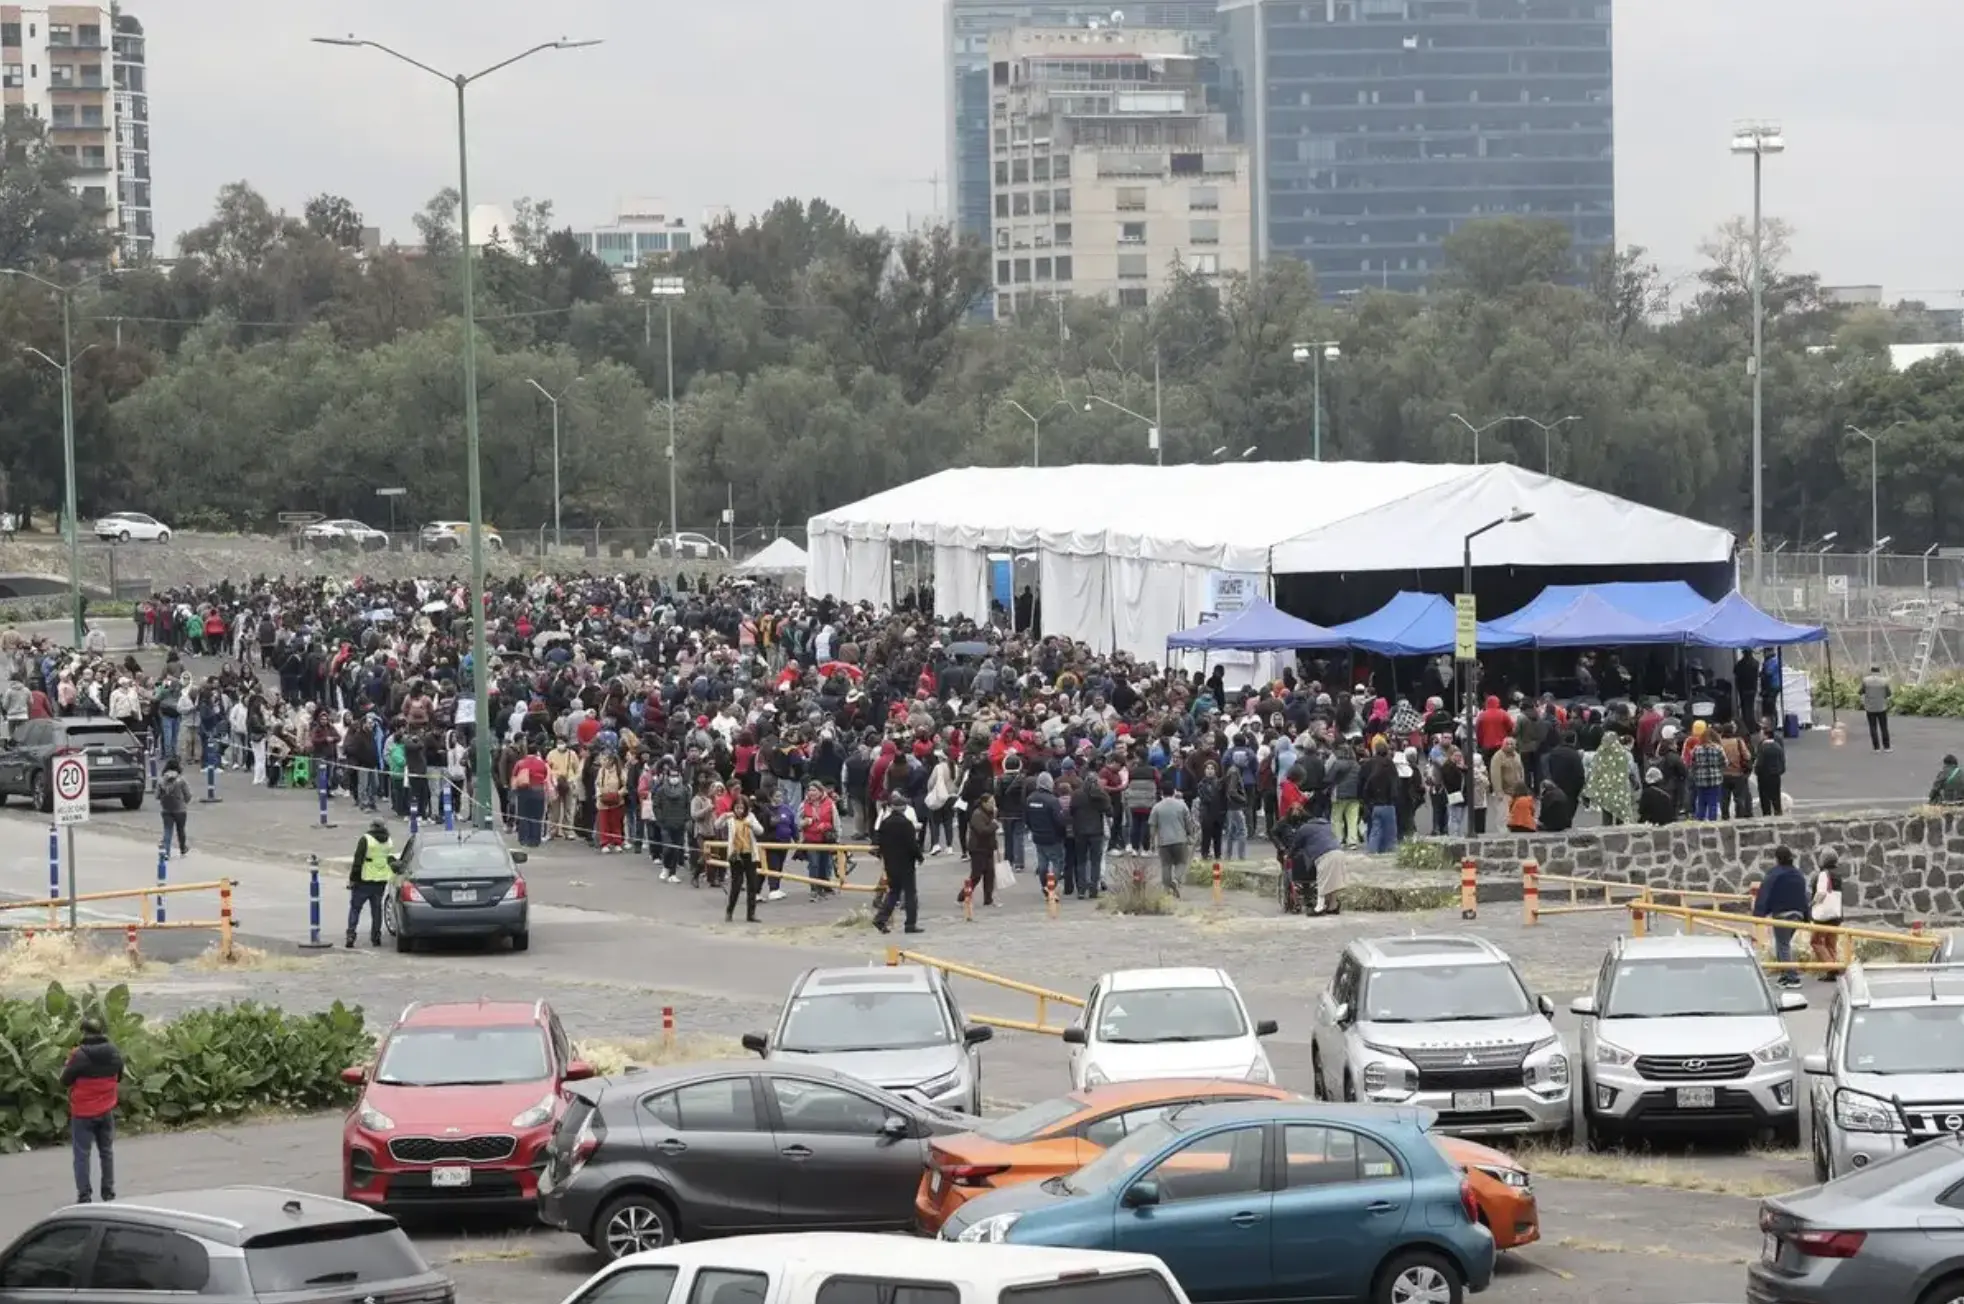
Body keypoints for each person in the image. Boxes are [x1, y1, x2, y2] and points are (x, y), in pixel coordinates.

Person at [62, 1015, 123, 1203]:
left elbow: (64, 1080)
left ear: (84, 1032)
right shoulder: (113, 1051)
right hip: (106, 1110)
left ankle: (84, 1195)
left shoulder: (78, 1054)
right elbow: (119, 1076)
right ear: (102, 1031)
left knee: (82, 1154)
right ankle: (108, 1192)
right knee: (106, 1151)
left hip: (83, 1114)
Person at [1751, 844, 1809, 989]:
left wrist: (1758, 914)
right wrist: (1807, 916)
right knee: (1783, 944)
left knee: (1783, 945)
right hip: (1798, 914)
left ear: (1777, 859)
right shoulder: (1798, 874)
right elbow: (1804, 896)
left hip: (1782, 914)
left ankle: (1792, 977)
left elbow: (1765, 893)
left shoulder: (1775, 874)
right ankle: (1785, 975)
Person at [872, 790, 924, 934]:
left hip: (890, 862)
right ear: (903, 808)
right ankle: (910, 924)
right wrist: (919, 857)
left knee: (893, 892)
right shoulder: (906, 824)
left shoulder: (885, 823)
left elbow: (879, 842)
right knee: (910, 893)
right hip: (906, 863)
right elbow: (912, 845)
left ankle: (881, 918)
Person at [345, 819, 396, 948]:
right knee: (376, 910)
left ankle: (351, 934)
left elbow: (358, 861)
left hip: (364, 879)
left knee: (355, 908)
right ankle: (376, 937)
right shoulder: (388, 841)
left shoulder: (366, 839)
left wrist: (353, 879)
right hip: (380, 880)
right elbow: (390, 859)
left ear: (372, 827)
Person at [719, 794, 765, 923]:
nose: (739, 810)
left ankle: (751, 914)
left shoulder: (750, 817)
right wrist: (724, 816)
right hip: (736, 854)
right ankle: (729, 911)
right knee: (736, 884)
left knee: (752, 884)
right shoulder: (731, 819)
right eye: (737, 808)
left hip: (749, 853)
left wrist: (751, 825)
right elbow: (717, 825)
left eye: (742, 808)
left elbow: (760, 831)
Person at [1148, 786, 1191, 895]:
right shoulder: (1182, 805)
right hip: (1180, 839)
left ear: (1162, 793)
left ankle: (1166, 890)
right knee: (1181, 862)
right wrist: (1189, 834)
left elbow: (1152, 825)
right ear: (1174, 792)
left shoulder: (1157, 807)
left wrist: (1152, 841)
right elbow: (1188, 822)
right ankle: (1176, 880)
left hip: (1163, 841)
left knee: (1166, 865)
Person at [1809, 851, 1844, 979]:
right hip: (1836, 914)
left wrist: (1812, 903)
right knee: (1831, 943)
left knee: (1816, 942)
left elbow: (1822, 893)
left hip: (1823, 915)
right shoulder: (1838, 875)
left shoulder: (1824, 874)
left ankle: (1831, 968)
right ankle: (1833, 972)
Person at [963, 793, 999, 908]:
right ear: (984, 803)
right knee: (976, 875)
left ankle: (988, 899)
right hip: (978, 848)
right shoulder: (977, 814)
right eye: (991, 803)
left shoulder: (990, 813)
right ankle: (962, 896)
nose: (993, 805)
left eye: (994, 802)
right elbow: (982, 831)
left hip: (988, 848)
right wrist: (994, 825)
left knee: (990, 875)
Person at [157, 758, 191, 858]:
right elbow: (188, 795)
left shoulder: (161, 780)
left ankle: (166, 852)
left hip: (166, 809)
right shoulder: (181, 780)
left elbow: (157, 795)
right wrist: (184, 802)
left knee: (167, 830)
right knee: (181, 830)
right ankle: (182, 848)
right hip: (180, 809)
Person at [1860, 666, 1893, 752]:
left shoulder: (1865, 680)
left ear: (1871, 671)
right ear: (1879, 672)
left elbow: (1861, 692)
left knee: (1873, 727)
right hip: (1882, 707)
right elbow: (1889, 694)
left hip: (1870, 707)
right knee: (1884, 727)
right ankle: (1887, 747)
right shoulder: (1884, 681)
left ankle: (1876, 747)